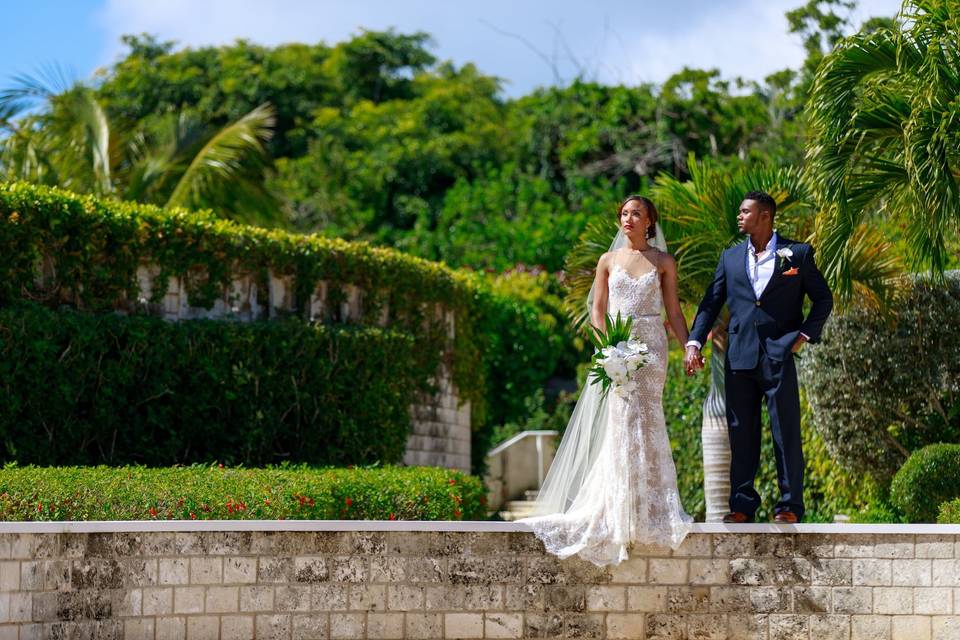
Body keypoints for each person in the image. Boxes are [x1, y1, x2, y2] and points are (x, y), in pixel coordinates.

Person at [519, 195, 692, 566]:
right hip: (618, 346)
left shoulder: (663, 262)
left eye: (637, 214)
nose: (629, 219)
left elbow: (674, 311)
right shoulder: (607, 261)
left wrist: (689, 347)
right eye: (625, 214)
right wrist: (608, 349)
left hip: (652, 349)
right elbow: (596, 311)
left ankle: (651, 507)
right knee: (622, 424)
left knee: (649, 421)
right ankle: (619, 508)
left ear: (650, 221)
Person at [684, 191, 833, 524]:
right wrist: (694, 341)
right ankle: (742, 505)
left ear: (765, 216)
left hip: (779, 354)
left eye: (745, 211)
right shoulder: (730, 258)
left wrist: (803, 337)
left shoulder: (797, 254)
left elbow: (823, 300)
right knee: (741, 432)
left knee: (786, 432)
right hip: (739, 356)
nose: (739, 216)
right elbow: (711, 302)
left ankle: (790, 506)